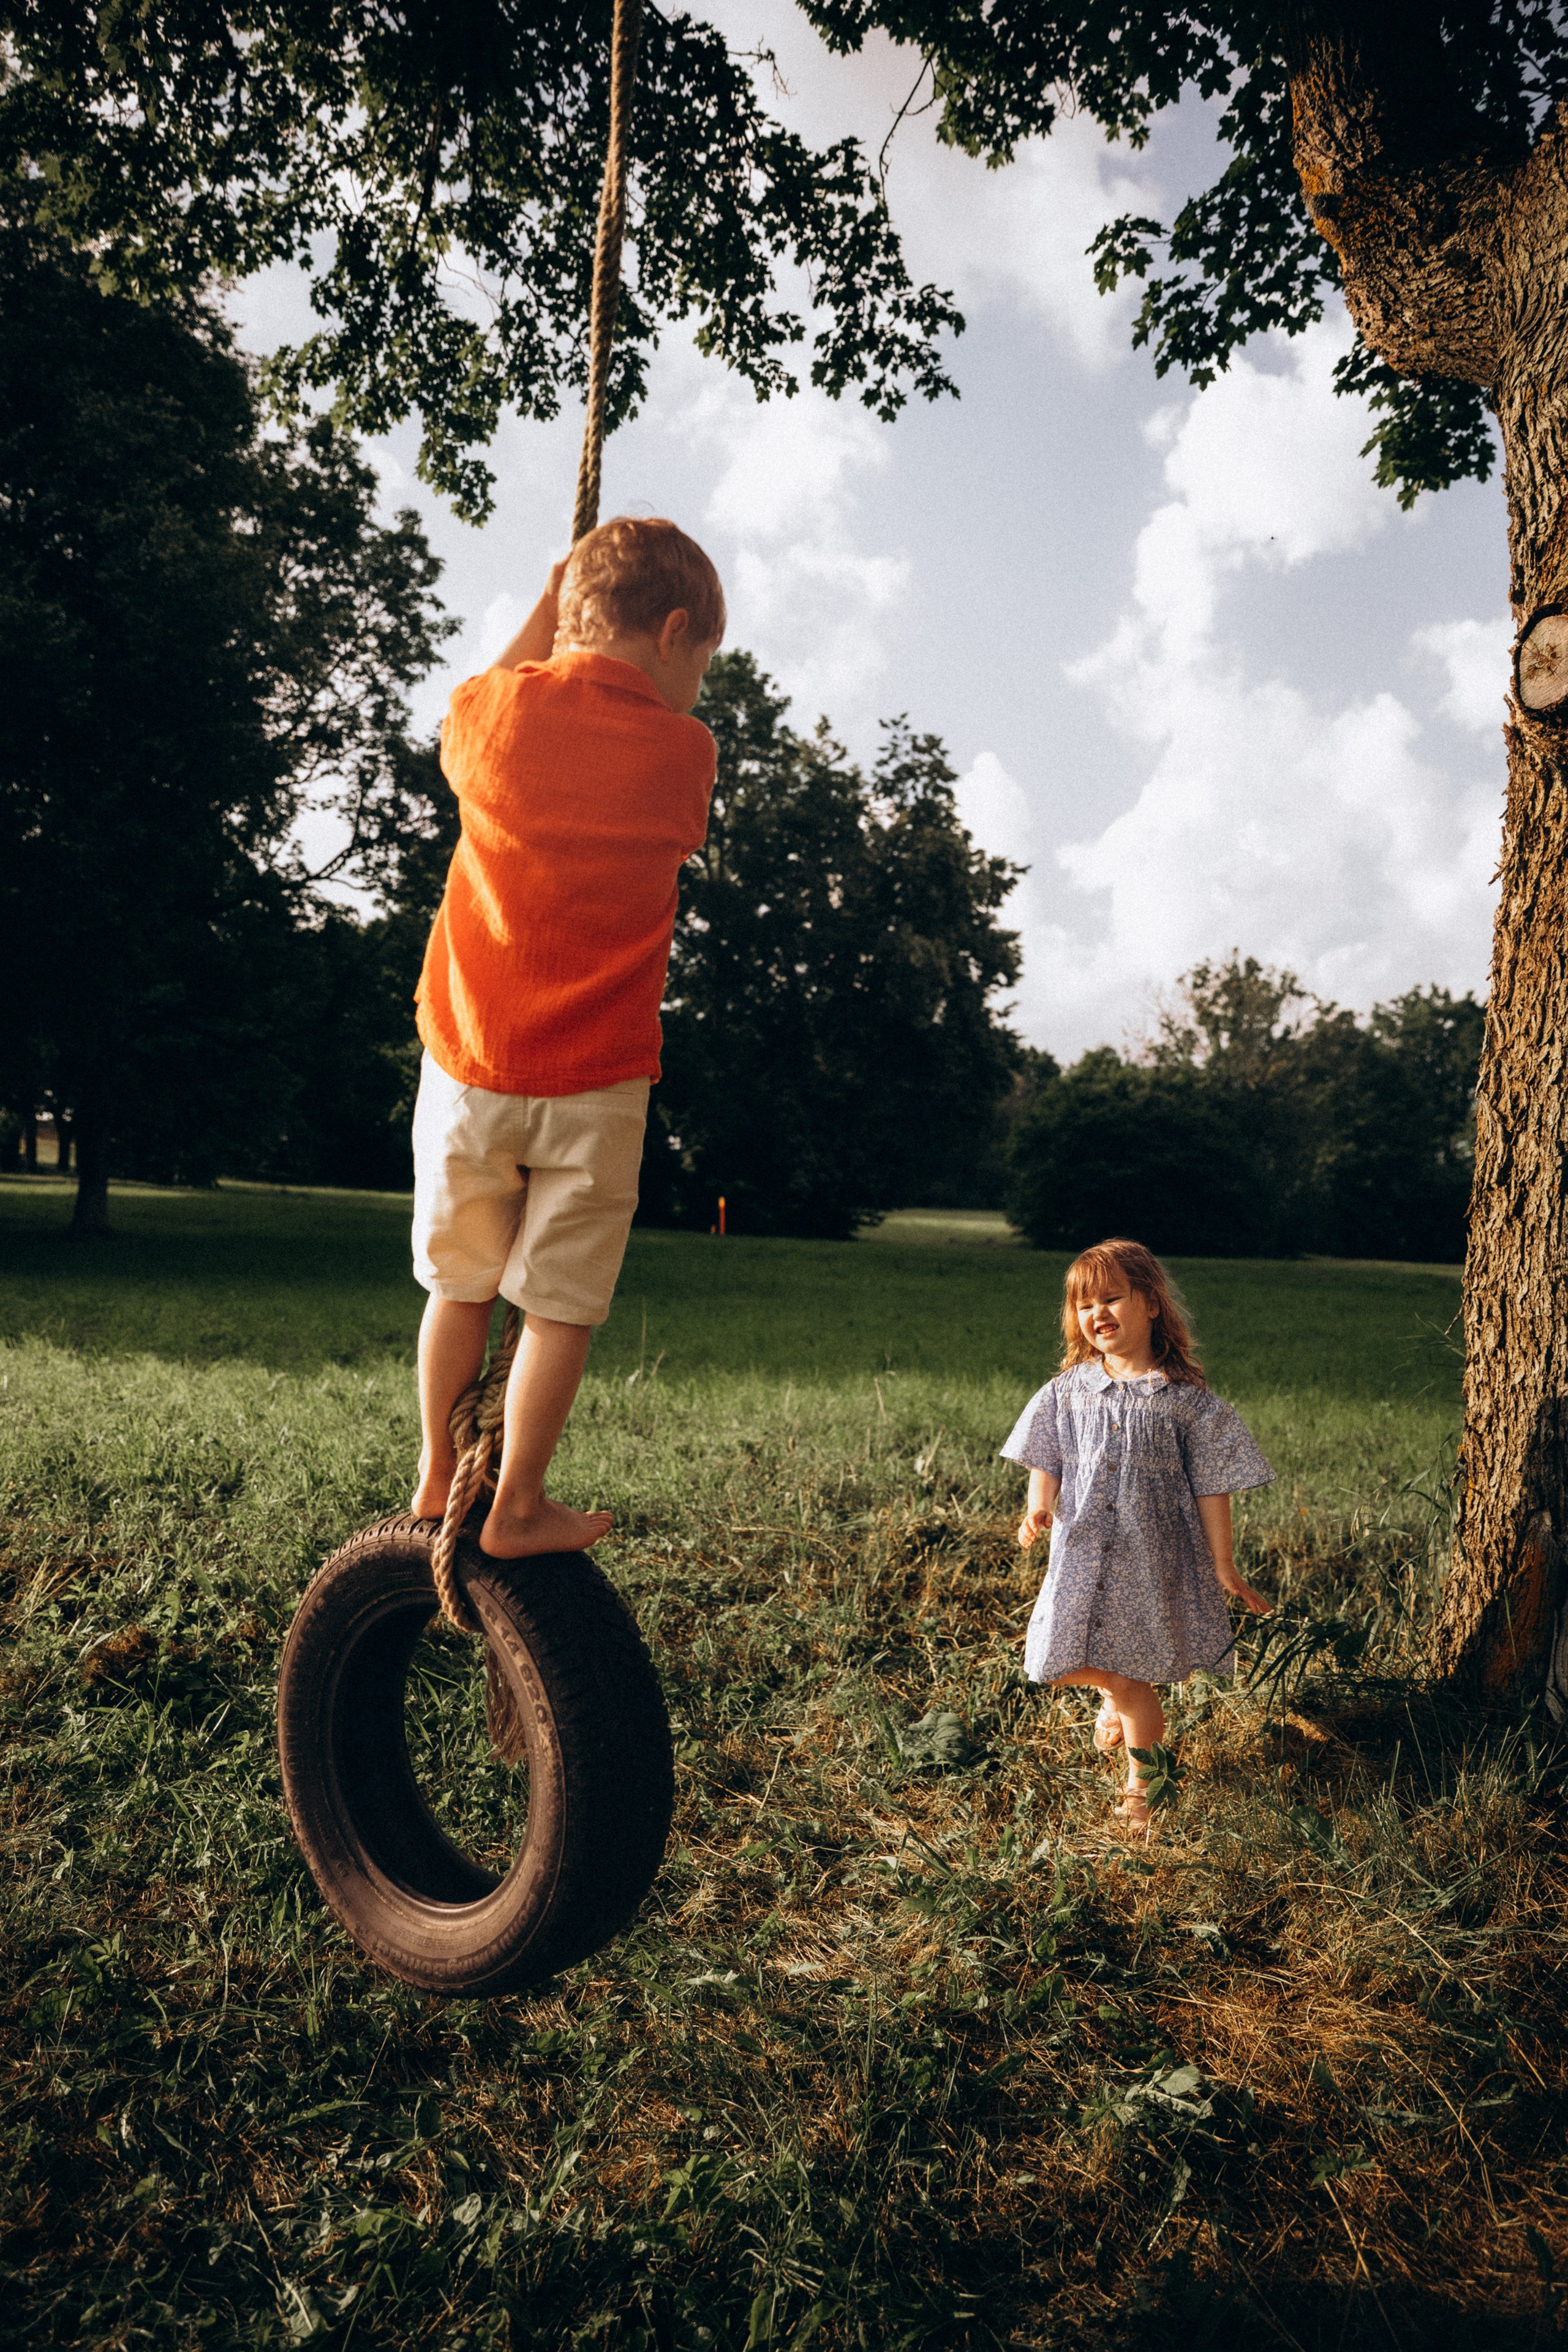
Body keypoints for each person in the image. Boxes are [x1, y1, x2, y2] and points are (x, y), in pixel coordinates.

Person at [408, 516, 724, 1558]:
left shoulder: (498, 718)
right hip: (598, 1083)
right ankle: (517, 1503)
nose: (701, 692)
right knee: (557, 1310)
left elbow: (465, 714)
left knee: (459, 1285)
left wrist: (548, 607)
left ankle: (432, 1475)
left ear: (572, 617)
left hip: (472, 1067)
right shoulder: (686, 755)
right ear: (674, 630)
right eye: (703, 664)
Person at [1002, 1237, 1272, 1833]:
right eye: (1082, 1304)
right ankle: (1114, 1695)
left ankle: (1143, 1786)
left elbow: (1212, 1487)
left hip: (1149, 1562)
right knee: (1050, 1660)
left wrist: (1224, 1564)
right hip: (1078, 1556)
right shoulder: (1066, 1391)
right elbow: (1045, 1458)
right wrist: (1038, 1507)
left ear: (1150, 1303)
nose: (1096, 1313)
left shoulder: (1185, 1403)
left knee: (1132, 1678)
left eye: (1111, 1298)